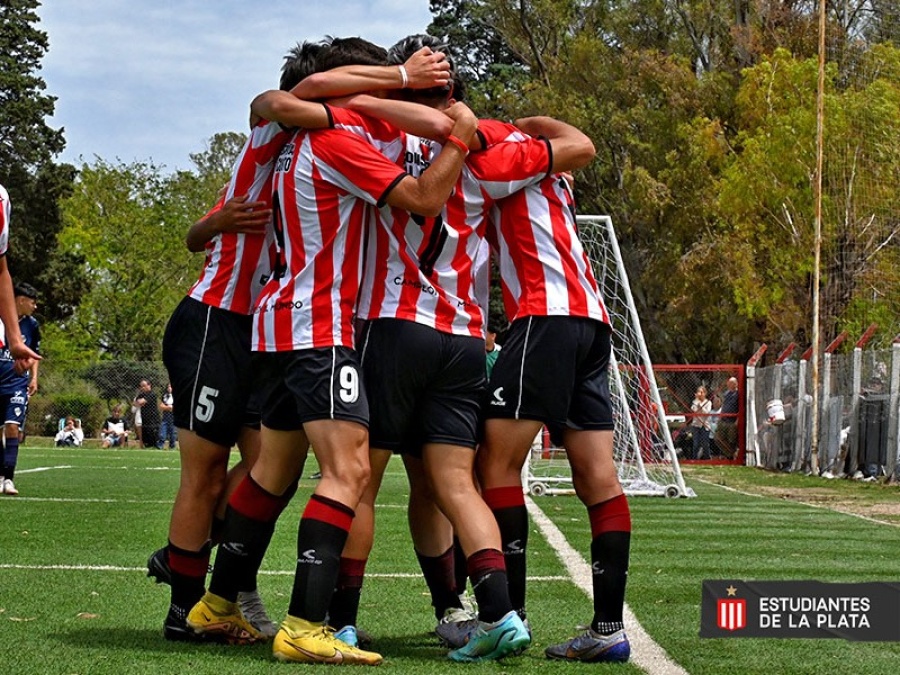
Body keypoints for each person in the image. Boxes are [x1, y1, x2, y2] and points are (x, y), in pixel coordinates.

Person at [187, 37, 475, 666]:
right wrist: (458, 140)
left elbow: (282, 100)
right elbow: (425, 199)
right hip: (320, 328)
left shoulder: (291, 138)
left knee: (271, 472)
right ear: (343, 85)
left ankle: (216, 602)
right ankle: (304, 624)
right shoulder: (339, 138)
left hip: (275, 322)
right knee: (350, 473)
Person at [472, 107, 633, 661]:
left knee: (493, 465)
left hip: (544, 317)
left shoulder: (495, 149)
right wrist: (537, 121)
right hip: (591, 321)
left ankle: (507, 616)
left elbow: (468, 142)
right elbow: (577, 141)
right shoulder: (552, 168)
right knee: (598, 478)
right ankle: (608, 628)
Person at [0, 283, 42, 495]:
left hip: (17, 383)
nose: (35, 306)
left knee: (12, 426)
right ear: (20, 299)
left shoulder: (31, 325)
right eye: (32, 302)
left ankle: (9, 478)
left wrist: (33, 378)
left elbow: (33, 353)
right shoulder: (1, 320)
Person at [716, 377, 739, 459]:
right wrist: (720, 415)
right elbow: (724, 405)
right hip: (723, 419)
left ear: (735, 384)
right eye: (728, 383)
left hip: (732, 421)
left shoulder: (738, 394)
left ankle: (731, 455)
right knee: (718, 438)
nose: (728, 384)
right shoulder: (727, 393)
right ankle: (730, 454)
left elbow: (741, 407)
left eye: (730, 383)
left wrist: (737, 420)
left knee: (731, 440)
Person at [133, 379, 160, 450]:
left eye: (144, 386)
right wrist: (140, 402)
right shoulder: (141, 395)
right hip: (144, 419)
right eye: (141, 386)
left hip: (153, 420)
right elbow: (134, 403)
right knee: (146, 439)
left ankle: (155, 447)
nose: (142, 388)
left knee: (153, 437)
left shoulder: (152, 394)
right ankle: (148, 447)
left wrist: (140, 402)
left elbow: (141, 402)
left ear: (149, 385)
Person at [690, 385, 712, 460]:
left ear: (705, 393)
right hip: (696, 425)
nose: (700, 394)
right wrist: (698, 403)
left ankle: (707, 459)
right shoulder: (694, 402)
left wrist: (700, 405)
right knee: (696, 444)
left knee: (705, 444)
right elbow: (694, 410)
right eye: (699, 392)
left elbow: (706, 412)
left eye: (702, 392)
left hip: (705, 425)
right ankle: (694, 459)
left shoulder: (708, 402)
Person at [157, 382, 176, 449]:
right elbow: (161, 406)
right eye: (168, 387)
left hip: (173, 416)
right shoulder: (165, 396)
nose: (169, 388)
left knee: (172, 433)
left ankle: (172, 446)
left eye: (171, 386)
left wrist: (167, 407)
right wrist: (168, 408)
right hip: (166, 416)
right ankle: (160, 446)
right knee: (162, 432)